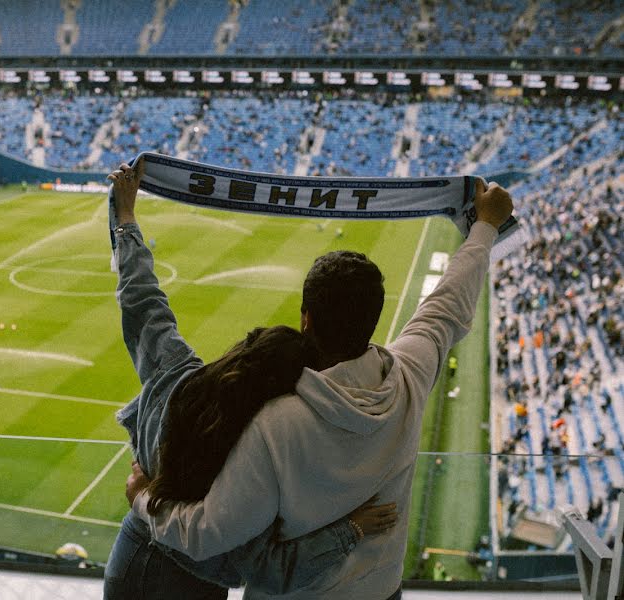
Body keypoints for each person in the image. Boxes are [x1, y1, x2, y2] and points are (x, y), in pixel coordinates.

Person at [127, 178, 514, 599]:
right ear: (372, 319)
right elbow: (448, 305)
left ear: (306, 319)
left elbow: (206, 532)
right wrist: (486, 226)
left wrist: (143, 500)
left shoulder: (274, 425)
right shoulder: (408, 377)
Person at [105, 161, 398, 599]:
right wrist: (350, 530)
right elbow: (269, 568)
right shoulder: (261, 445)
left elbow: (143, 301)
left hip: (136, 558)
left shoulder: (181, 383)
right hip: (187, 580)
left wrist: (125, 215)